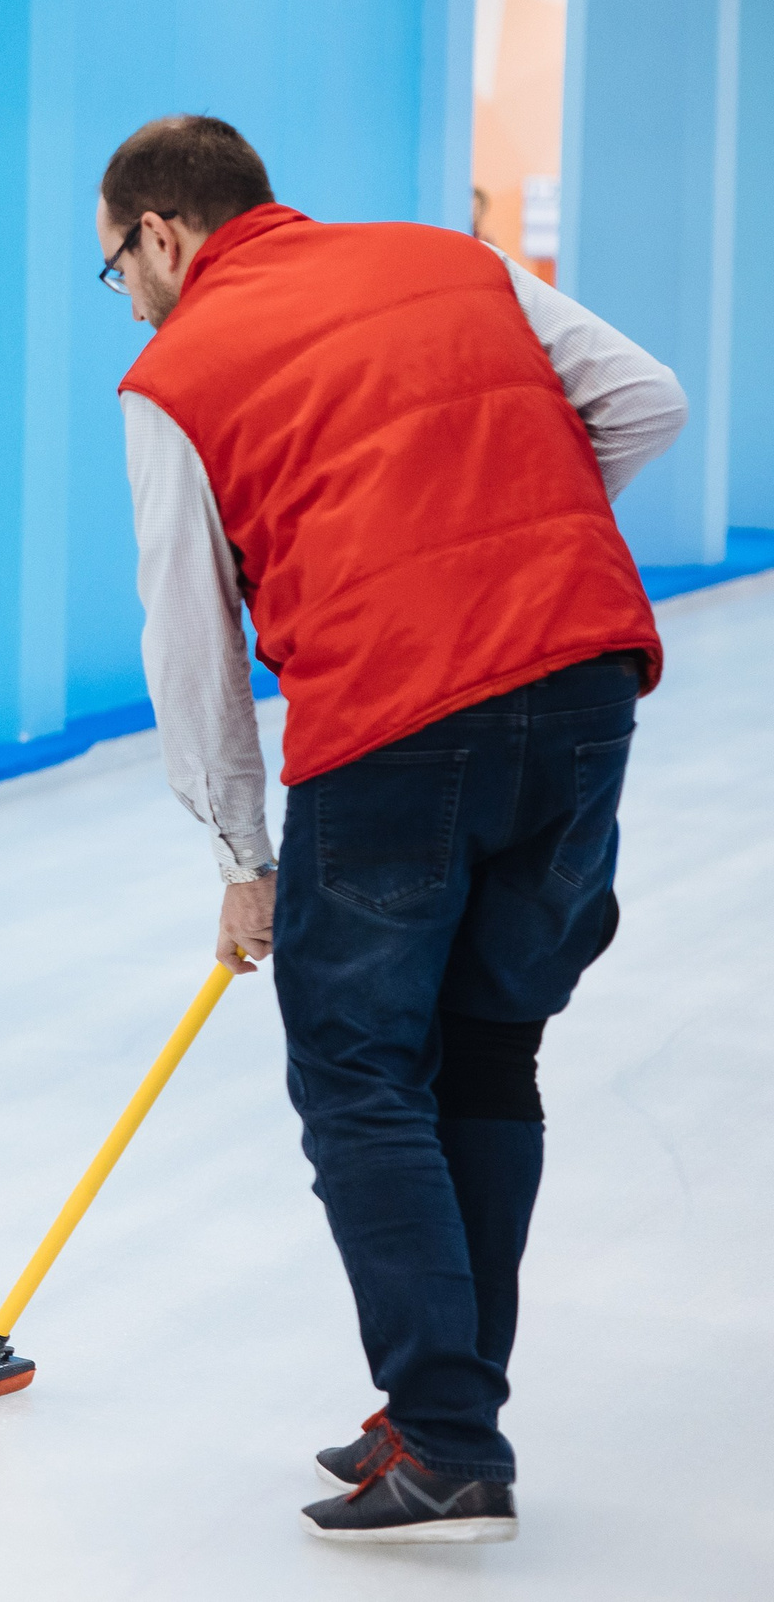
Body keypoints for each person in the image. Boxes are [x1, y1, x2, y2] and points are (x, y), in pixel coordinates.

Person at [98, 117, 685, 1542]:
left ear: (165, 235)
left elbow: (191, 641)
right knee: (489, 1043)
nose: (120, 292)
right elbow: (645, 399)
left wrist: (241, 852)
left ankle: (448, 1434)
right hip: (584, 686)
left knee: (361, 1072)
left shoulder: (174, 374)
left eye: (114, 262)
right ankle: (447, 1399)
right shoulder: (456, 258)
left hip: (399, 728)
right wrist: (509, 544)